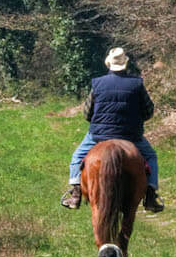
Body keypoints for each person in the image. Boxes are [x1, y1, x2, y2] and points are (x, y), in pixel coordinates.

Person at [61, 47, 163, 213]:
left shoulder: (98, 83)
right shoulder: (137, 84)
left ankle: (76, 193)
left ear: (109, 64)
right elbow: (148, 111)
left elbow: (87, 112)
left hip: (99, 136)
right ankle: (151, 196)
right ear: (125, 64)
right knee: (151, 156)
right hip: (131, 136)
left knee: (77, 156)